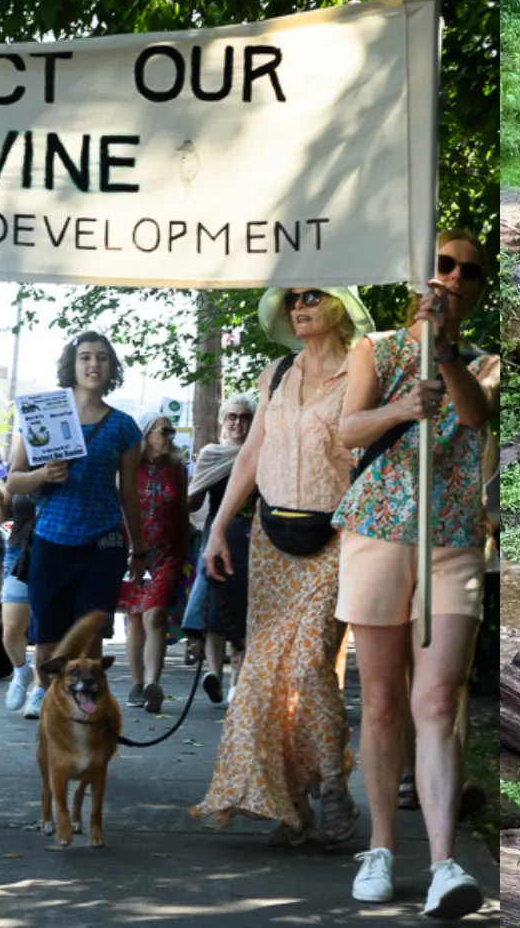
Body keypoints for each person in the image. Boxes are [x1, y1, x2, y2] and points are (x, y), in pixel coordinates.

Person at [335, 232, 497, 919]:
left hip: (452, 540)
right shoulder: (376, 350)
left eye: (469, 272)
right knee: (380, 702)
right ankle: (379, 847)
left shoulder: (487, 361)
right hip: (377, 531)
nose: (453, 277)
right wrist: (403, 406)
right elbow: (347, 430)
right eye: (442, 265)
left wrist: (446, 353)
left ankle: (443, 862)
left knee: (437, 701)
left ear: (481, 289)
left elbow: (473, 414)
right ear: (419, 278)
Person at [191, 286, 372, 849]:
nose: (301, 305)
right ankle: (291, 808)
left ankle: (334, 785)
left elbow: (370, 451)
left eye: (314, 295)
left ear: (341, 305)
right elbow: (250, 457)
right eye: (294, 298)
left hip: (336, 536)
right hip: (271, 539)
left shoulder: (363, 363)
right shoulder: (276, 372)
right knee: (265, 674)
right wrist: (219, 528)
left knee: (307, 665)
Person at [6, 332, 146, 694]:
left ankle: (87, 721)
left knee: (89, 642)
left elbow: (130, 495)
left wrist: (141, 552)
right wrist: (41, 474)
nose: (93, 364)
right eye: (85, 357)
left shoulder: (124, 426)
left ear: (111, 366)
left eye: (102, 357)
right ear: (72, 364)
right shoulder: (41, 413)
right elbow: (13, 480)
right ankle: (50, 710)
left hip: (103, 544)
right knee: (49, 646)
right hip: (51, 542)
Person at [181, 396, 255, 703]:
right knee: (212, 607)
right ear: (223, 421)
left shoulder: (259, 453)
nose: (238, 423)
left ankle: (237, 681)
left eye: (245, 417)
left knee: (243, 610)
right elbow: (195, 500)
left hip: (251, 539)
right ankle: (214, 672)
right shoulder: (211, 454)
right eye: (232, 417)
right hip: (217, 535)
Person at [123, 415, 188, 709]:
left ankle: (153, 683)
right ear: (147, 434)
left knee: (154, 614)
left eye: (172, 431)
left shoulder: (178, 468)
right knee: (134, 617)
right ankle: (136, 684)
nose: (169, 436)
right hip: (133, 551)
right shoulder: (129, 466)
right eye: (164, 431)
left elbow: (184, 510)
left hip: (168, 552)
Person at [0, 481, 42, 716]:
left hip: (56, 550)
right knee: (10, 628)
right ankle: (21, 671)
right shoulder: (17, 471)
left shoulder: (67, 460)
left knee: (44, 629)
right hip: (19, 552)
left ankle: (40, 690)